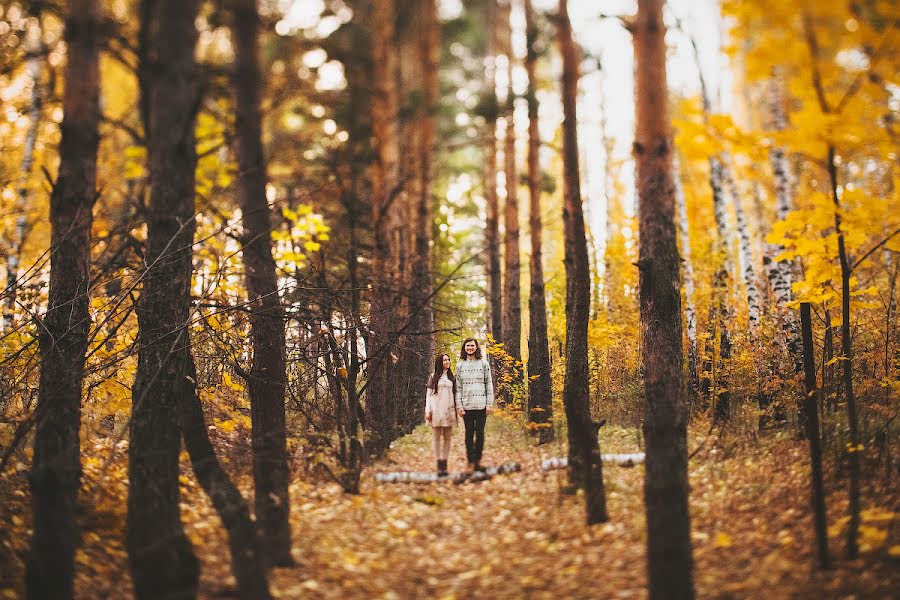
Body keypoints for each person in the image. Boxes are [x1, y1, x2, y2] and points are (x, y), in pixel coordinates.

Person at [455, 338, 494, 472]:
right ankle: (470, 460)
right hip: (466, 406)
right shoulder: (460, 366)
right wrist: (459, 406)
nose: (470, 348)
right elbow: (458, 388)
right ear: (464, 348)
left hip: (482, 405)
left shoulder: (484, 364)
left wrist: (489, 404)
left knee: (480, 433)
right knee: (469, 433)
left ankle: (478, 460)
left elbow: (489, 384)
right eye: (468, 346)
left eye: (472, 346)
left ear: (476, 348)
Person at [425, 353, 457, 476]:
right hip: (436, 410)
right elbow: (428, 395)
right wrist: (428, 409)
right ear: (440, 362)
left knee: (447, 437)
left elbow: (455, 395)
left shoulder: (452, 378)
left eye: (448, 360)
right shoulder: (433, 377)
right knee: (437, 437)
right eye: (445, 360)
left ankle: (445, 464)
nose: (447, 361)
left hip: (449, 409)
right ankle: (439, 463)